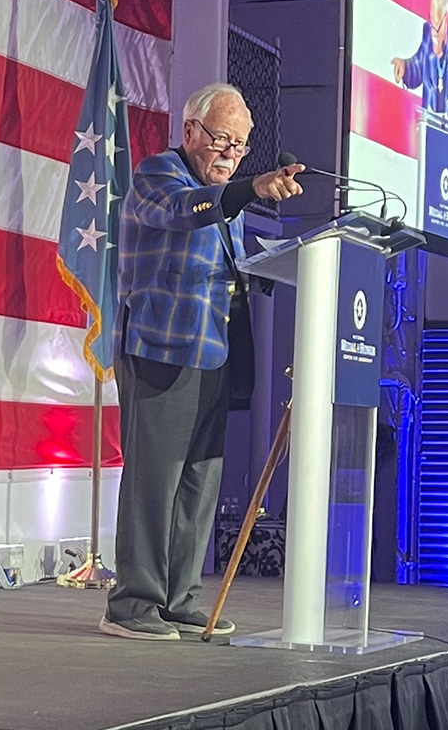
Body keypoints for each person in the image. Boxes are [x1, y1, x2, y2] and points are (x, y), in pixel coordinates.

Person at [100, 83, 304, 641]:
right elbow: (182, 214)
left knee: (198, 483)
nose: (230, 154)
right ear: (190, 131)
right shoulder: (157, 175)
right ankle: (132, 603)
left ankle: (179, 596)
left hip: (214, 351)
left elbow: (226, 264)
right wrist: (247, 188)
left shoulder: (224, 196)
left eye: (240, 146)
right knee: (154, 480)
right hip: (161, 349)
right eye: (221, 140)